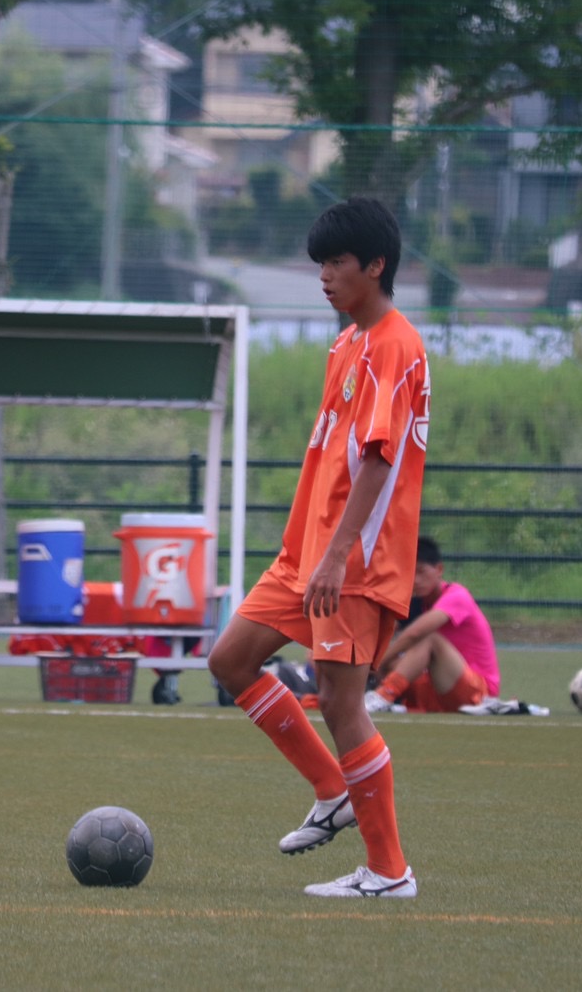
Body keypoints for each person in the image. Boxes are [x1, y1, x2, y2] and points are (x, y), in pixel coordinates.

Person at [206, 196, 429, 899]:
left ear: (376, 265)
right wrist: (313, 549)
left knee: (340, 700)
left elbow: (378, 460)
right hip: (307, 552)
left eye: (336, 262)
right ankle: (332, 790)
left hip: (353, 560)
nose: (324, 276)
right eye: (321, 264)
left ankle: (389, 872)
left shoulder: (394, 344)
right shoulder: (346, 345)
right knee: (230, 659)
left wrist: (336, 554)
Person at [365, 536, 498, 713]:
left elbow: (415, 633)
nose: (416, 580)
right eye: (410, 573)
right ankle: (374, 696)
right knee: (392, 662)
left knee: (429, 640)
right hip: (441, 688)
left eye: (421, 571)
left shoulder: (457, 596)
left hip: (479, 693)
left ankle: (384, 695)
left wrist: (378, 663)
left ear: (439, 569)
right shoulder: (420, 603)